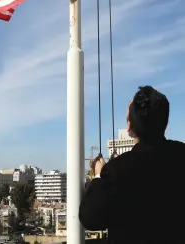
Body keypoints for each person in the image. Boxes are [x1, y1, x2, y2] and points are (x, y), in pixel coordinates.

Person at [79, 86, 185, 244]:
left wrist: (99, 176)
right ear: (164, 121)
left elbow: (90, 219)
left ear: (130, 128)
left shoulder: (117, 169)